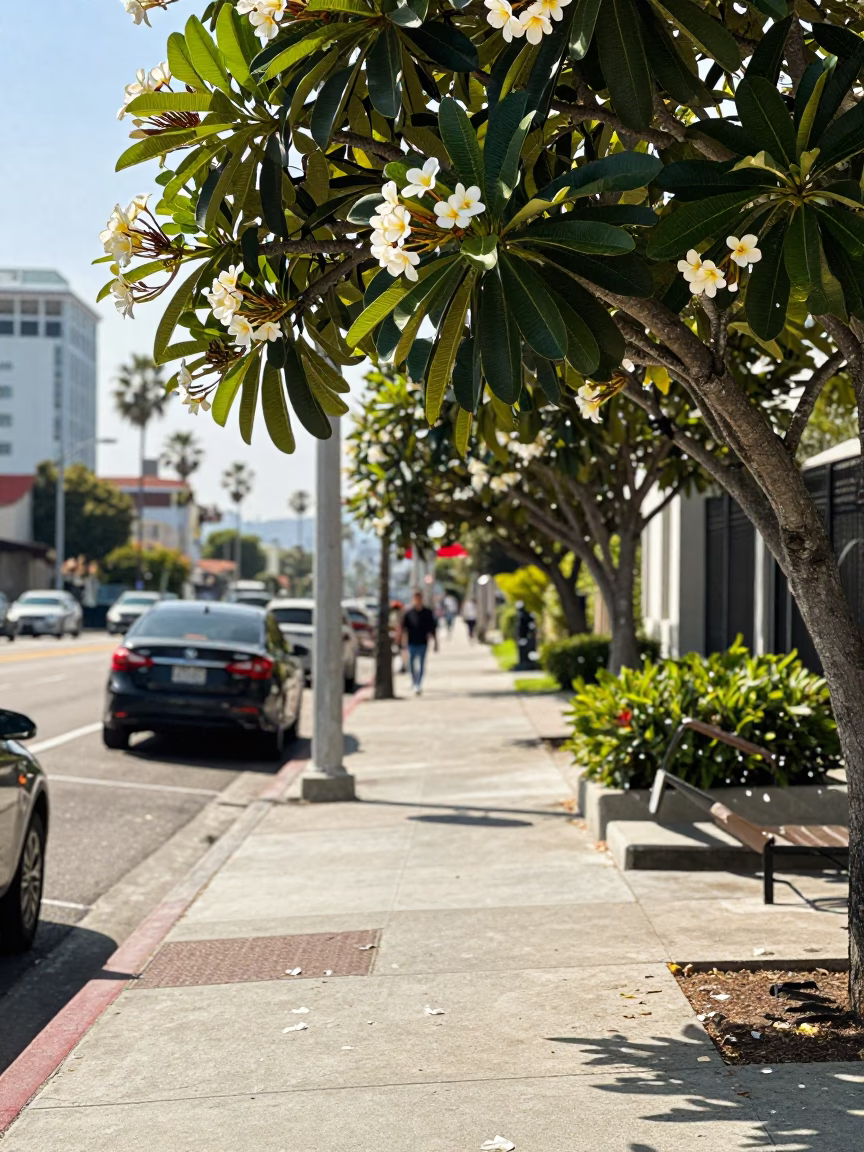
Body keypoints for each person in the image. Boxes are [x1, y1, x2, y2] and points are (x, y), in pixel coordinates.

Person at [398, 591, 438, 695]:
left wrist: (436, 642)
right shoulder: (409, 613)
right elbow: (403, 629)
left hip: (423, 642)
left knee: (421, 664)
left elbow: (432, 628)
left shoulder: (427, 612)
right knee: (411, 664)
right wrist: (401, 641)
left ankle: (418, 684)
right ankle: (414, 681)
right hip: (411, 642)